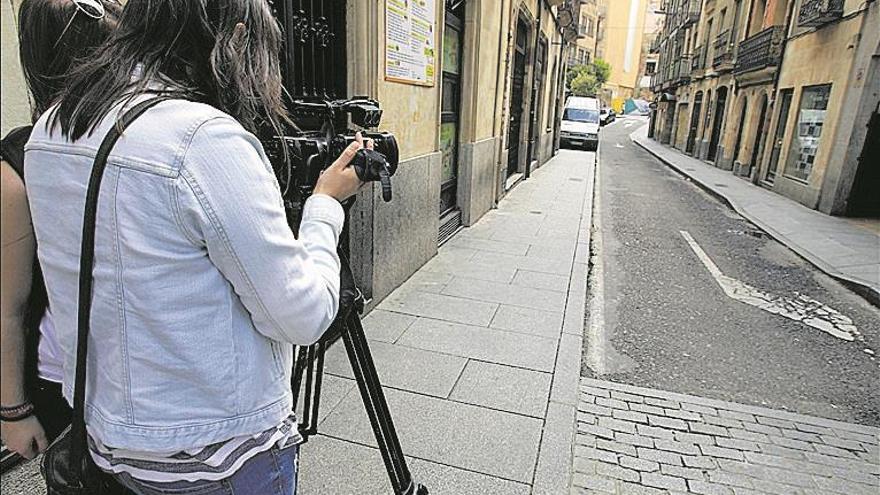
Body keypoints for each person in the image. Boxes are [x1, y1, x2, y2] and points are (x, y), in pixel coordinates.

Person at [24, 0, 365, 493]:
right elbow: (304, 315)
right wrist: (325, 206)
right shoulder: (200, 139)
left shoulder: (52, 128)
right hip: (218, 458)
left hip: (110, 443)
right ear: (239, 39)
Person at [1, 0, 121, 460]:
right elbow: (8, 305)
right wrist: (13, 409)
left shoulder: (149, 146)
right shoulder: (19, 162)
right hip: (64, 381)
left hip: (145, 382)